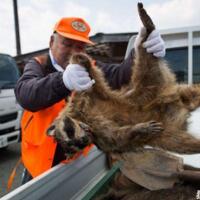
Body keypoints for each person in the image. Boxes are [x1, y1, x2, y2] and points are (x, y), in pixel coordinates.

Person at [15, 17, 165, 184]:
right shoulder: (37, 65)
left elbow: (120, 76)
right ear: (52, 42)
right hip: (40, 170)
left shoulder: (90, 67)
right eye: (67, 44)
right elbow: (26, 95)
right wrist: (63, 81)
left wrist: (139, 53)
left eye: (79, 47)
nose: (73, 52)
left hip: (78, 162)